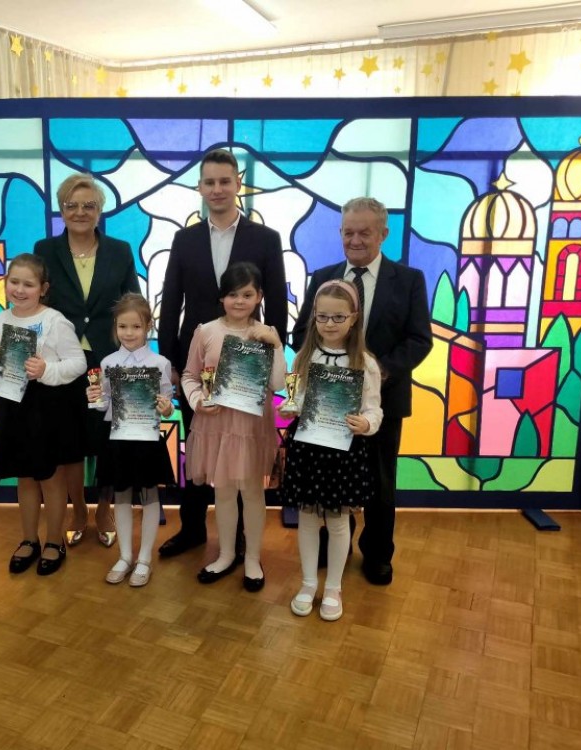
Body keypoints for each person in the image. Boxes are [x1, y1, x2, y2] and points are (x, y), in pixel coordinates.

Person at [291, 197, 432, 585]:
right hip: (327, 403)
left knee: (381, 481)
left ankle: (378, 553)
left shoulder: (409, 280)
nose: (355, 240)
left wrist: (375, 373)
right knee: (331, 477)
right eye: (348, 232)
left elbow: (420, 339)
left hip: (384, 400)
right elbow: (301, 331)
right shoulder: (323, 276)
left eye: (364, 233)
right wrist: (325, 368)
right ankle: (334, 545)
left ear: (383, 233)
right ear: (340, 232)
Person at [158, 148, 287, 559]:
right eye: (210, 182)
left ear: (238, 185)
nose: (217, 189)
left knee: (243, 453)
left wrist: (273, 356)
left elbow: (277, 304)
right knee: (199, 446)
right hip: (197, 362)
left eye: (224, 181)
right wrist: (170, 362)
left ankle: (242, 537)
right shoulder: (184, 239)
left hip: (249, 366)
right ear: (200, 187)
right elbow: (170, 302)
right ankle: (193, 528)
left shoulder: (265, 239)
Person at [35, 173, 141, 550]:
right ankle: (78, 509)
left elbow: (133, 303)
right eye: (72, 205)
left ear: (99, 211)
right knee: (70, 442)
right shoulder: (45, 250)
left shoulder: (120, 250)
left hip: (108, 358)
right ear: (61, 209)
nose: (80, 212)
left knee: (107, 438)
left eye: (89, 205)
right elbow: (36, 301)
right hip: (61, 360)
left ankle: (105, 510)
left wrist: (136, 353)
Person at [282, 280, 383, 620]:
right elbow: (297, 398)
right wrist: (291, 408)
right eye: (322, 316)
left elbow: (374, 409)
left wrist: (366, 424)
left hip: (343, 452)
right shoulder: (304, 357)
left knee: (339, 522)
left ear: (354, 318)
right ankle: (309, 582)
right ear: (314, 316)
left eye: (338, 317)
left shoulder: (365, 363)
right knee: (308, 519)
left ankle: (334, 588)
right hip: (308, 449)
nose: (329, 323)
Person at [181, 262, 285, 591]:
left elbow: (278, 382)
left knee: (252, 493)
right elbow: (189, 375)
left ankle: (252, 558)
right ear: (222, 297)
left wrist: (275, 344)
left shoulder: (267, 333)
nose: (239, 301)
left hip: (251, 426)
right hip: (216, 423)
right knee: (223, 492)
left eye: (247, 294)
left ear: (259, 297)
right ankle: (226, 554)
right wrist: (197, 400)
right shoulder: (206, 331)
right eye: (232, 294)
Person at [0, 254, 86, 576]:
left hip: (46, 408)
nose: (19, 289)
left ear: (43, 288)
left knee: (51, 478)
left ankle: (54, 542)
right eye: (14, 282)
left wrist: (46, 370)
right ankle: (29, 539)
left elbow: (78, 363)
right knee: (24, 477)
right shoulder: (1, 319)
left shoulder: (56, 321)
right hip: (12, 405)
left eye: (28, 284)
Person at [86, 293, 175, 587]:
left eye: (136, 327)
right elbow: (105, 403)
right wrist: (95, 398)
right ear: (115, 327)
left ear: (148, 326)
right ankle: (125, 556)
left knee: (150, 496)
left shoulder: (160, 363)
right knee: (121, 495)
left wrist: (167, 408)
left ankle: (144, 558)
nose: (129, 333)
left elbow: (167, 405)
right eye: (122, 326)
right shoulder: (108, 362)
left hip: (147, 440)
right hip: (117, 439)